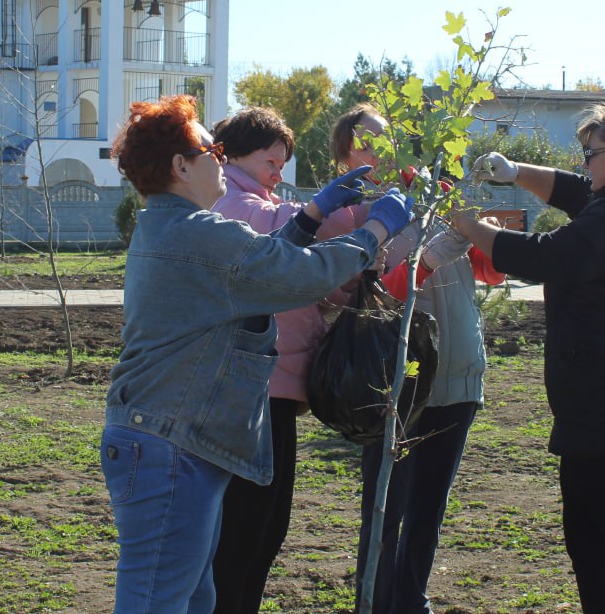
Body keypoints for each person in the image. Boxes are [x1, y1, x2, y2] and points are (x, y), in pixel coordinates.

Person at [100, 94, 416, 614]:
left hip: (167, 436)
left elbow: (261, 266)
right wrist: (375, 229)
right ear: (181, 166)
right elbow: (298, 274)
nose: (221, 159)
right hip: (169, 445)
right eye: (213, 151)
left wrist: (312, 215)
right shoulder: (199, 233)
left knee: (194, 596)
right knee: (158, 600)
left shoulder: (173, 226)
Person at [452, 91, 605, 614]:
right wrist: (515, 172)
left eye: (591, 154)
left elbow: (548, 257)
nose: (585, 165)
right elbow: (578, 192)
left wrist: (469, 225)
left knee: (598, 548)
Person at [208, 106, 449, 614]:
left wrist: (355, 279)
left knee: (267, 528)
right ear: (231, 156)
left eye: (282, 164)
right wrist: (361, 217)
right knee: (245, 529)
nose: (278, 174)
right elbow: (283, 230)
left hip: (284, 384)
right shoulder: (230, 202)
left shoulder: (266, 199)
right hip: (254, 387)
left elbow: (308, 279)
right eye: (270, 162)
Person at [330, 102, 505, 614]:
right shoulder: (350, 215)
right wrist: (424, 260)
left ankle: (412, 603)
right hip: (397, 382)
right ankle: (376, 604)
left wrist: (488, 239)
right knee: (386, 511)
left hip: (457, 371)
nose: (379, 150)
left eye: (386, 137)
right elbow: (363, 297)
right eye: (365, 141)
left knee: (429, 511)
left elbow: (489, 273)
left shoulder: (440, 196)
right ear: (345, 157)